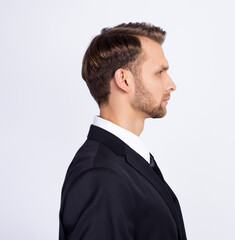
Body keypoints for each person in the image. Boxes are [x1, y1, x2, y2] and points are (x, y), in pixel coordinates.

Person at [59, 22, 187, 240]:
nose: (171, 84)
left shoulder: (123, 161)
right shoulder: (99, 176)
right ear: (124, 80)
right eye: (159, 72)